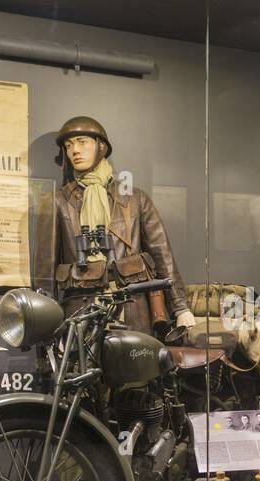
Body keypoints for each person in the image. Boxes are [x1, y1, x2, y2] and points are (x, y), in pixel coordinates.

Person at [39, 116, 195, 335]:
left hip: (132, 310)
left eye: (83, 142)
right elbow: (45, 271)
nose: (75, 150)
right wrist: (44, 327)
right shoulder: (57, 202)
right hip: (80, 311)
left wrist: (180, 307)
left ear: (101, 147)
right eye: (69, 145)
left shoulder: (135, 199)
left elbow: (162, 255)